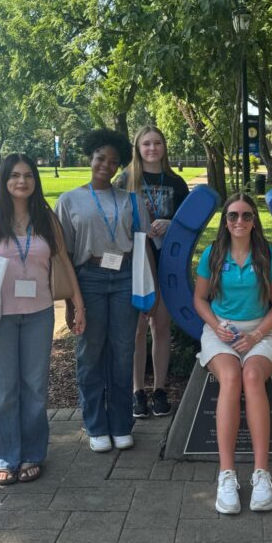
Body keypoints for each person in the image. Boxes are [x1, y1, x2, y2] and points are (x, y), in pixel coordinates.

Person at [0, 154, 85, 485]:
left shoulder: (45, 217)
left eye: (28, 175)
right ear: (3, 180)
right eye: (14, 175)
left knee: (34, 386)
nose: (22, 181)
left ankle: (32, 452)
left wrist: (78, 304)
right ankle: (3, 455)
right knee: (1, 387)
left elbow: (63, 261)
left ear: (35, 181)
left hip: (39, 315)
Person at [56, 128, 156, 453]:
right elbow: (65, 256)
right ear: (91, 158)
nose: (106, 165)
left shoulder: (132, 200)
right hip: (90, 278)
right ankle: (95, 424)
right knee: (90, 351)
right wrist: (73, 302)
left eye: (113, 161)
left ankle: (120, 423)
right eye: (101, 158)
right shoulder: (69, 200)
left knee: (123, 350)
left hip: (125, 277)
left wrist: (150, 292)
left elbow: (143, 247)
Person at [193, 193, 272, 514]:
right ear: (225, 221)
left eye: (247, 216)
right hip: (221, 331)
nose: (239, 222)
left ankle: (262, 474)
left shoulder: (267, 254)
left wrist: (256, 335)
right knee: (231, 377)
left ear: (254, 221)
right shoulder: (213, 254)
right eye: (233, 216)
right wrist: (217, 325)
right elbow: (200, 299)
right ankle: (227, 474)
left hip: (261, 331)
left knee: (251, 375)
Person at [115, 125, 189, 419]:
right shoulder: (125, 179)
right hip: (135, 261)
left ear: (164, 147)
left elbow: (189, 223)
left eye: (157, 143)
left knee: (160, 326)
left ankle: (159, 390)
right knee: (136, 330)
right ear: (138, 147)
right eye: (146, 143)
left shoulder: (176, 182)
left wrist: (171, 223)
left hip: (167, 260)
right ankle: (137, 392)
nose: (152, 148)